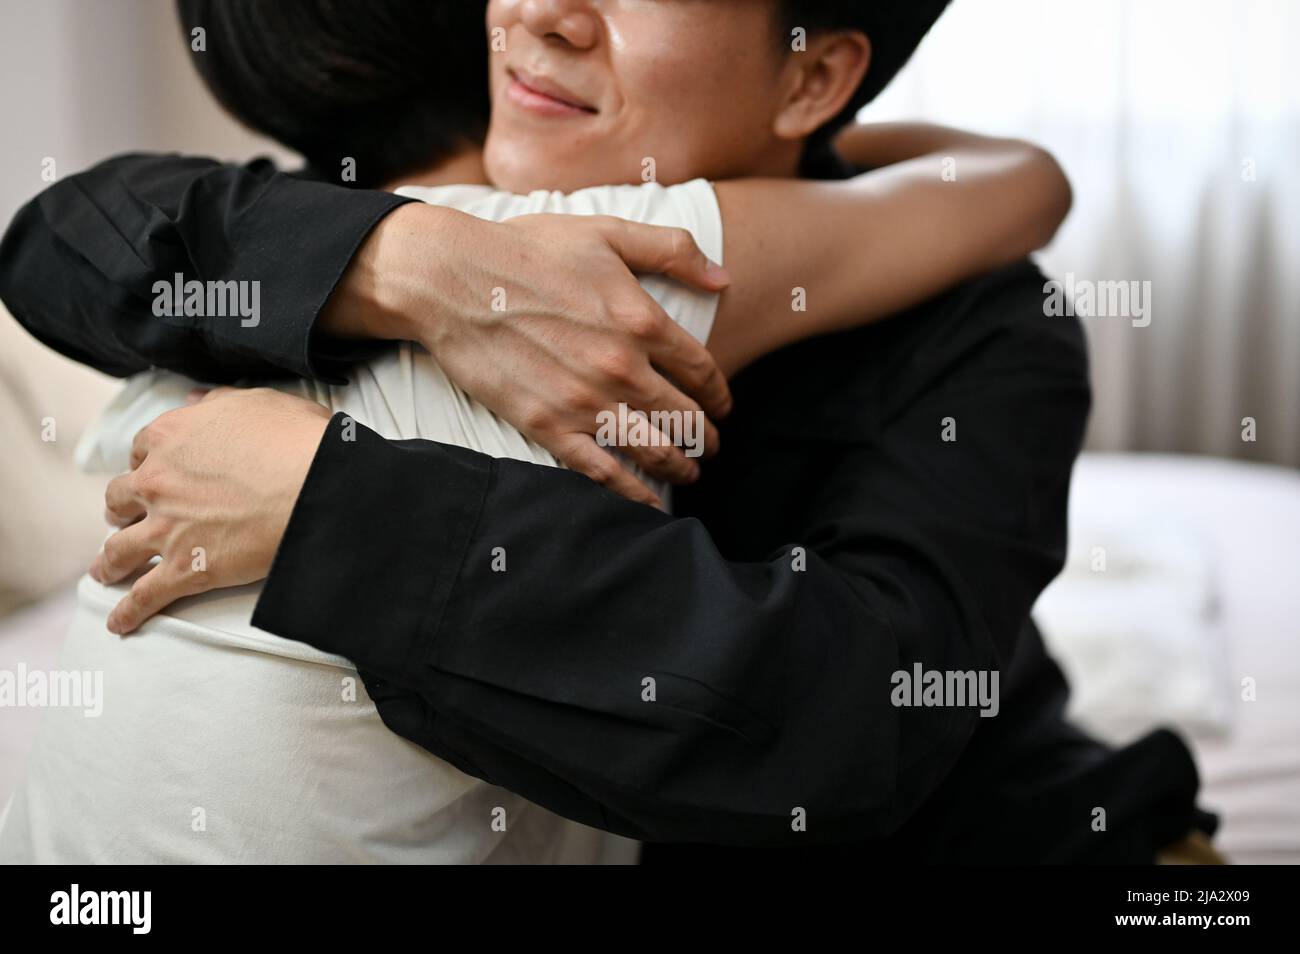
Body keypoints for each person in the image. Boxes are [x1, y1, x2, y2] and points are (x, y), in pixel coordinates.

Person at [0, 0, 1215, 863]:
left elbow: (850, 719)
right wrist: (408, 262)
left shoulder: (984, 325)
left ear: (810, 77)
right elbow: (64, 238)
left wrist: (331, 509)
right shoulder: (409, 209)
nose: (541, 12)